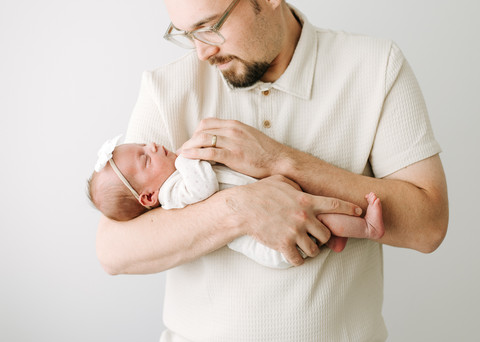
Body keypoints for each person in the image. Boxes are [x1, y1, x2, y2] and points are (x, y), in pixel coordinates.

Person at [95, 0, 449, 340]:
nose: (201, 52)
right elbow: (113, 250)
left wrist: (280, 161)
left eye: (211, 26)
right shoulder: (165, 88)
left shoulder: (376, 66)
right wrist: (239, 209)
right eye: (187, 33)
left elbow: (429, 225)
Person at [88, 135, 385, 269]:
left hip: (280, 209)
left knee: (317, 216)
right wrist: (189, 156)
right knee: (321, 217)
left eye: (143, 144)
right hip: (270, 246)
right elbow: (205, 186)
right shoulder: (173, 193)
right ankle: (369, 228)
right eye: (144, 157)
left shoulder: (173, 177)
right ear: (148, 197)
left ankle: (336, 239)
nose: (152, 145)